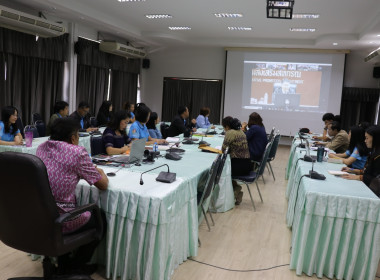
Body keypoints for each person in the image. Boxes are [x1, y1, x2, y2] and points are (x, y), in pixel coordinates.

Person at [36, 118, 108, 274]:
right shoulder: (77, 153)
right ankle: (74, 267)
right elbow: (103, 185)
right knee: (99, 217)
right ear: (73, 137)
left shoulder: (41, 148)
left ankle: (64, 263)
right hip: (61, 219)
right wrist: (100, 173)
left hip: (39, 217)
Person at [222, 116, 252, 205]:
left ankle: (235, 190)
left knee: (222, 170)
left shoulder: (230, 133)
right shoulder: (242, 132)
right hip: (247, 165)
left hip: (238, 166)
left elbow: (223, 150)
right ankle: (236, 190)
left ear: (227, 126)